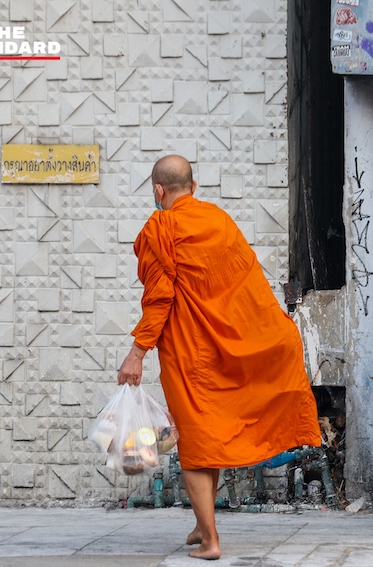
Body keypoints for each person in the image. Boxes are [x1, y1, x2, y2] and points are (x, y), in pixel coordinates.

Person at [117, 155, 322, 560]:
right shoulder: (220, 221)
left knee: (195, 443)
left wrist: (137, 352)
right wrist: (272, 332)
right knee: (206, 439)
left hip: (189, 353)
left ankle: (210, 540)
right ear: (193, 187)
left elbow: (159, 299)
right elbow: (248, 283)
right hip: (226, 348)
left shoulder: (159, 229)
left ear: (159, 191)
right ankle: (201, 524)